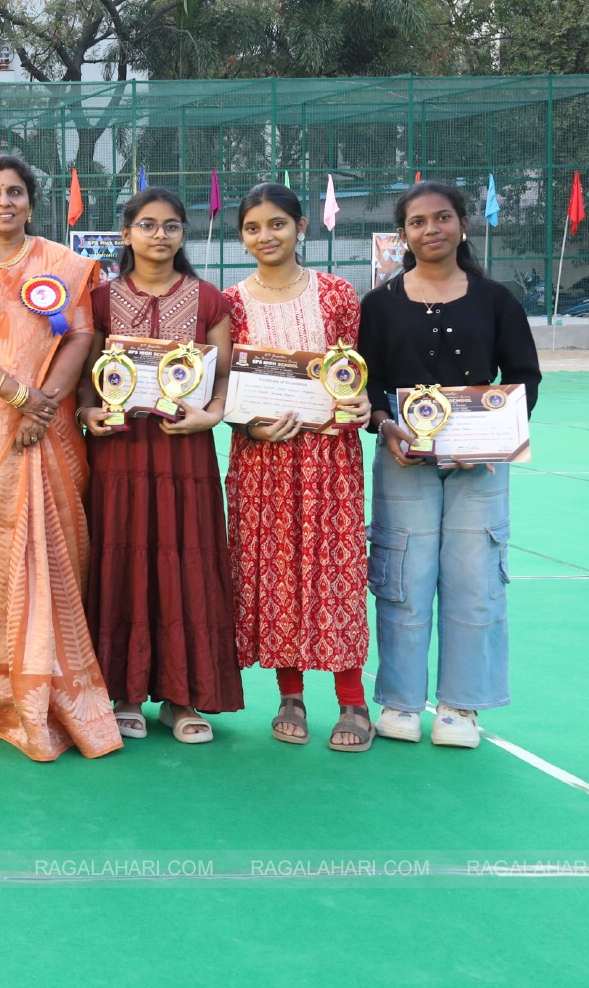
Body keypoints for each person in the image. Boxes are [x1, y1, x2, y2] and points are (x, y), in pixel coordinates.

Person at [0, 155, 120, 762]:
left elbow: (81, 336)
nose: (3, 203)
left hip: (49, 429)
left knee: (52, 555)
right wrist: (19, 396)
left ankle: (53, 693)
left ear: (32, 205)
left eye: (15, 193)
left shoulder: (63, 265)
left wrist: (43, 406)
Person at [358, 181, 541, 750]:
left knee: (475, 579)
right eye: (417, 222)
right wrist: (385, 425)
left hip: (480, 466)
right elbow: (369, 383)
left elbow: (523, 378)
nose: (430, 230)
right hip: (404, 458)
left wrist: (490, 439)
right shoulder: (380, 303)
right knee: (404, 579)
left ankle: (461, 708)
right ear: (403, 233)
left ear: (462, 224)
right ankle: (401, 703)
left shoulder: (497, 300)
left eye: (442, 218)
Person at [77, 187, 241, 743]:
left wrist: (213, 417)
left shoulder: (210, 301)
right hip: (119, 456)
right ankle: (121, 692)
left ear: (183, 234)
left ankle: (181, 696)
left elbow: (224, 381)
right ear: (126, 234)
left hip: (183, 455)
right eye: (147, 225)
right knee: (119, 560)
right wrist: (85, 410)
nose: (160, 235)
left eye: (171, 226)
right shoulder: (98, 300)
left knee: (184, 562)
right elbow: (84, 373)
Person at [223, 183, 372, 751]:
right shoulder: (230, 303)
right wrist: (247, 424)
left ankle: (353, 700)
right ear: (242, 236)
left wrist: (359, 404)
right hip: (262, 461)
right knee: (275, 575)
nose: (267, 236)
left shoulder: (337, 295)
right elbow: (224, 388)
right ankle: (290, 695)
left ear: (302, 226)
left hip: (329, 461)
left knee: (336, 574)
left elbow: (355, 375)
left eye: (278, 224)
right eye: (254, 227)